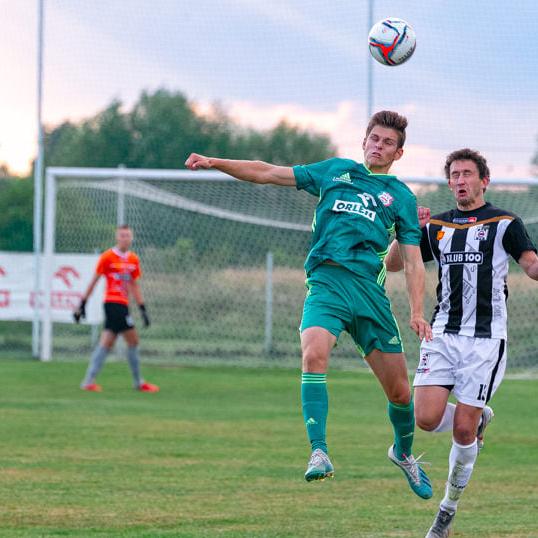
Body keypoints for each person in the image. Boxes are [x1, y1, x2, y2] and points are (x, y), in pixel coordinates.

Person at [184, 110, 435, 499]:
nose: (378, 146)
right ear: (364, 141)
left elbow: (413, 262)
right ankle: (319, 451)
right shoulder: (334, 171)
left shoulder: (401, 197)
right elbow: (267, 172)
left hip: (370, 293)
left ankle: (403, 453)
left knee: (401, 394)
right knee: (313, 356)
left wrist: (417, 311)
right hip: (327, 284)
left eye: (388, 143)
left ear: (398, 154)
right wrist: (216, 162)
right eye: (374, 138)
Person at [385, 148, 538, 538]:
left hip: (486, 340)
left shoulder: (505, 223)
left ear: (484, 180)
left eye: (468, 173)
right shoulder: (435, 226)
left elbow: (531, 267)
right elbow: (396, 264)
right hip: (443, 334)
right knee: (426, 418)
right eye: (454, 174)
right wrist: (407, 230)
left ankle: (447, 510)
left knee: (463, 430)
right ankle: (476, 419)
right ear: (449, 181)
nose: (461, 180)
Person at [73, 225, 158, 393]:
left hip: (123, 304)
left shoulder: (133, 259)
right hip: (112, 303)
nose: (125, 239)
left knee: (107, 341)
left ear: (132, 238)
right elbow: (94, 280)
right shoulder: (108, 257)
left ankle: (88, 381)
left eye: (128, 236)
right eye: (122, 235)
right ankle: (138, 383)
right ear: (116, 238)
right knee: (132, 340)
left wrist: (142, 308)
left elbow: (134, 285)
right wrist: (82, 304)